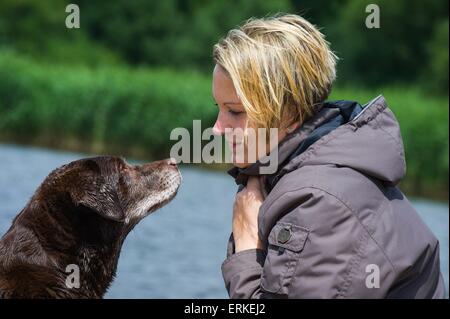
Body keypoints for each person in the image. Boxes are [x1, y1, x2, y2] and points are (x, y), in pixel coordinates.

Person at [211, 13, 445, 298]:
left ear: (290, 113)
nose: (217, 128)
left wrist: (247, 250)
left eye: (234, 111)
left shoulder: (323, 204)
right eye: (219, 108)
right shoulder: (307, 180)